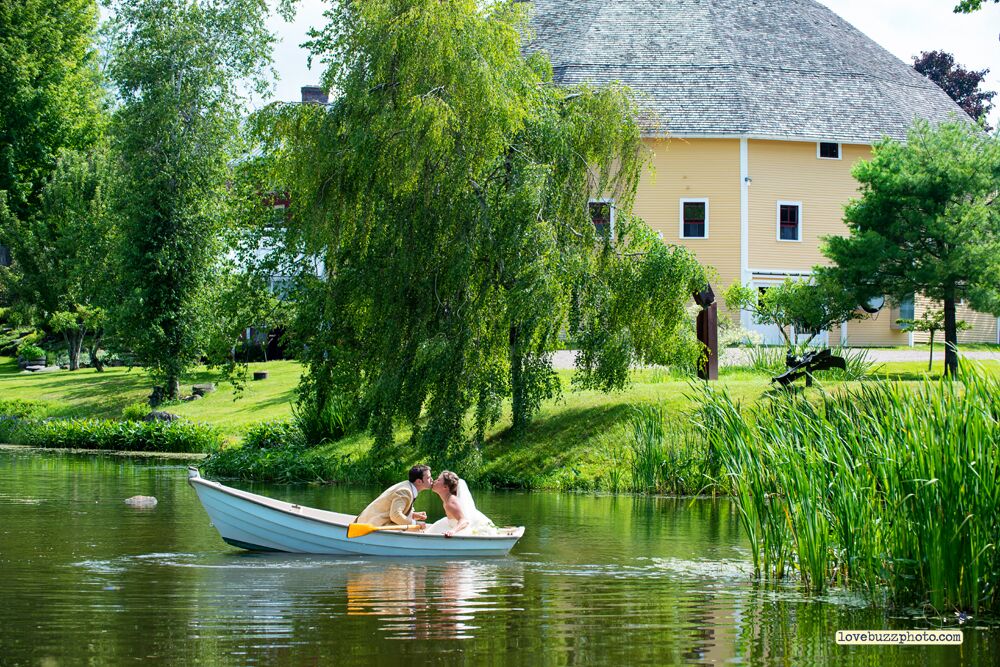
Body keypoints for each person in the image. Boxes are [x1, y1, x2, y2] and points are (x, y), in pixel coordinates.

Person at [425, 471, 498, 537]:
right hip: (451, 524)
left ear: (445, 487)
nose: (434, 481)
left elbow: (464, 520)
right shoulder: (447, 500)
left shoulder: (451, 502)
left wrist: (453, 531)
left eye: (438, 480)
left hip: (463, 527)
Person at [355, 465, 432, 527]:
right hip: (369, 525)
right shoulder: (405, 491)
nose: (432, 479)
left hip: (371, 522)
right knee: (415, 528)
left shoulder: (408, 487)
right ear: (419, 481)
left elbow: (395, 512)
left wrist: (413, 515)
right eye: (428, 478)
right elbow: (395, 516)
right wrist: (415, 523)